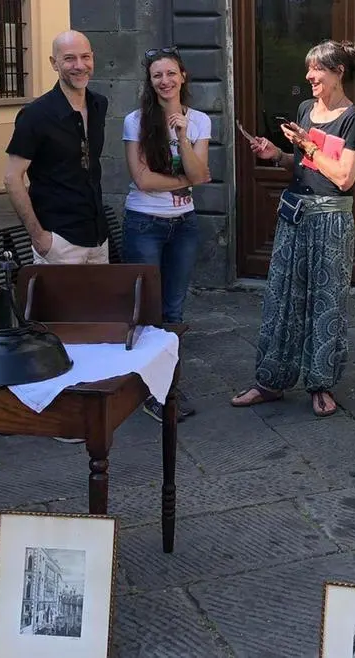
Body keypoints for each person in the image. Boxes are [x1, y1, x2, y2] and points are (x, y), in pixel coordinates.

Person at [231, 39, 355, 417]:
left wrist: (306, 147)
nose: (309, 76)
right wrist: (277, 155)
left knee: (325, 302)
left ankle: (320, 385)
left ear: (338, 72)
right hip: (295, 214)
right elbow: (305, 166)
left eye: (317, 70)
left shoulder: (353, 117)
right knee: (281, 298)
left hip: (331, 221)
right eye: (308, 69)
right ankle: (270, 381)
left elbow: (343, 176)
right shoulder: (306, 109)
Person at [122, 46, 212, 422]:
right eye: (157, 75)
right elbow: (141, 179)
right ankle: (145, 388)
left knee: (173, 310)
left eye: (171, 73)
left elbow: (201, 174)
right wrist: (184, 180)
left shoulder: (199, 121)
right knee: (147, 309)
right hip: (145, 223)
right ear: (150, 80)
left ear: (183, 76)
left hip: (184, 225)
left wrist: (181, 133)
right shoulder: (135, 121)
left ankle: (168, 387)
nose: (165, 81)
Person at [4, 31, 109, 265]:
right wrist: (39, 237)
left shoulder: (98, 104)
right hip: (59, 241)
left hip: (98, 237)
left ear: (93, 58)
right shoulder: (34, 115)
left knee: (99, 303)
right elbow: (12, 178)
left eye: (85, 57)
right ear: (54, 63)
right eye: (70, 58)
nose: (79, 65)